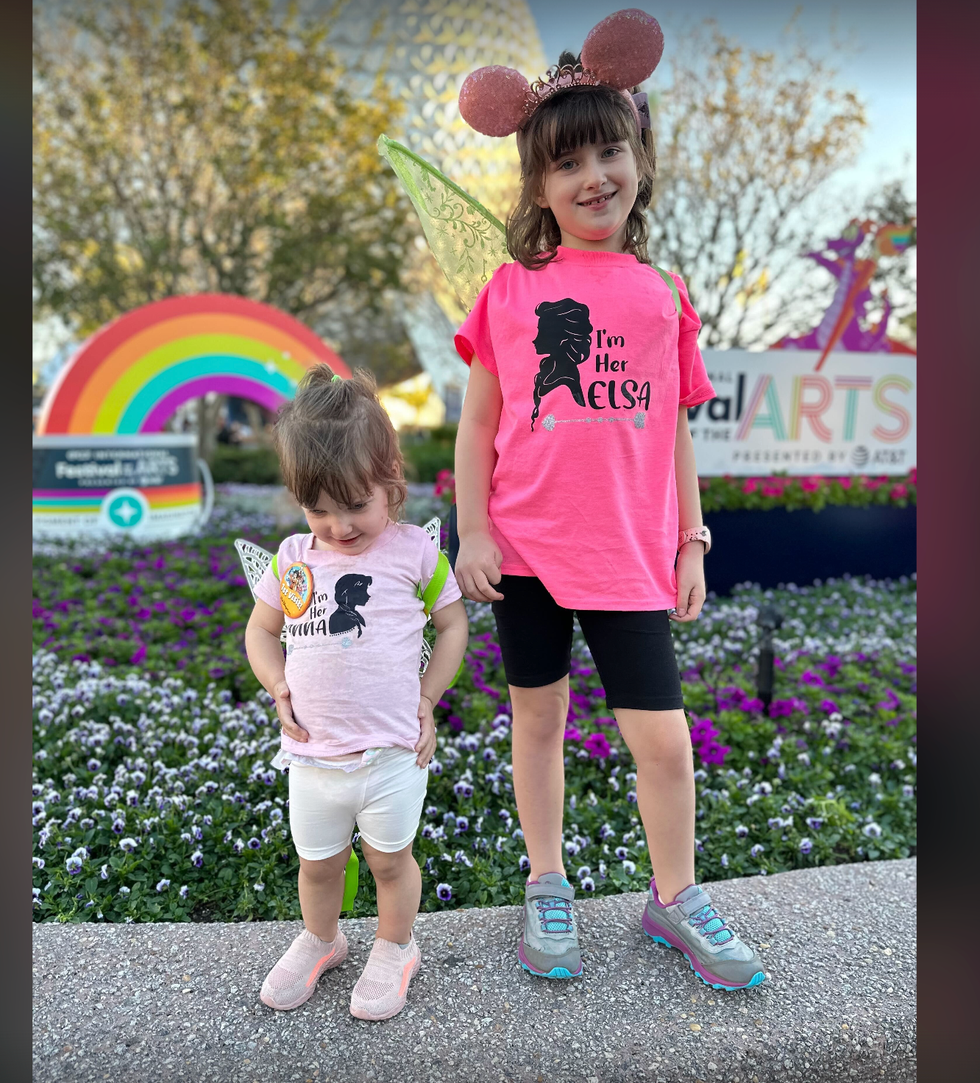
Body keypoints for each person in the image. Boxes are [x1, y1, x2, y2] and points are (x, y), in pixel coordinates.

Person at [451, 11, 765, 991]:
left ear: (636, 157)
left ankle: (672, 896)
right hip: (528, 551)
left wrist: (691, 542)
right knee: (534, 722)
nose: (592, 178)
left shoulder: (664, 290)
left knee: (662, 745)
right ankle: (546, 880)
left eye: (608, 152)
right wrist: (471, 530)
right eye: (565, 164)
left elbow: (673, 426)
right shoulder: (507, 290)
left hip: (630, 557)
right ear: (538, 187)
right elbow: (474, 429)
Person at [245, 364, 468, 1019]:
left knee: (390, 862)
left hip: (391, 756)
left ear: (391, 479)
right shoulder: (293, 559)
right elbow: (262, 632)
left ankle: (396, 946)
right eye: (319, 509)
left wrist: (427, 698)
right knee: (317, 865)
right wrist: (277, 682)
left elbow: (453, 624)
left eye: (356, 506)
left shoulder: (415, 554)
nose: (338, 527)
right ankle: (323, 937)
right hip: (313, 756)